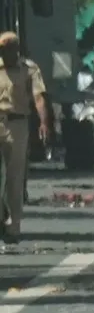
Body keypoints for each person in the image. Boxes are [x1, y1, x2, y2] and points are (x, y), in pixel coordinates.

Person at [0, 31, 52, 244]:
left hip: (17, 125)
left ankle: (15, 226)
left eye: (7, 49)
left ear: (16, 49)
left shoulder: (29, 69)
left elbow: (39, 97)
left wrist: (44, 123)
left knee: (14, 177)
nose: (4, 54)